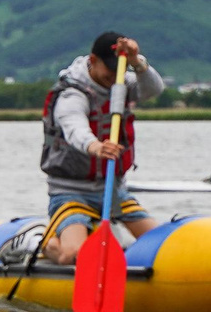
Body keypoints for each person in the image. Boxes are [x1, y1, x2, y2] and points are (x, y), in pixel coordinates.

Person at [37, 31, 166, 265]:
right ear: (93, 61)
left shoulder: (122, 82)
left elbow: (154, 90)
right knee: (74, 255)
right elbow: (74, 126)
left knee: (161, 245)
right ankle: (47, 244)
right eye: (110, 69)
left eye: (121, 68)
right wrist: (94, 146)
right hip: (70, 192)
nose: (114, 75)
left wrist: (137, 61)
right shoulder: (72, 93)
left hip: (113, 191)